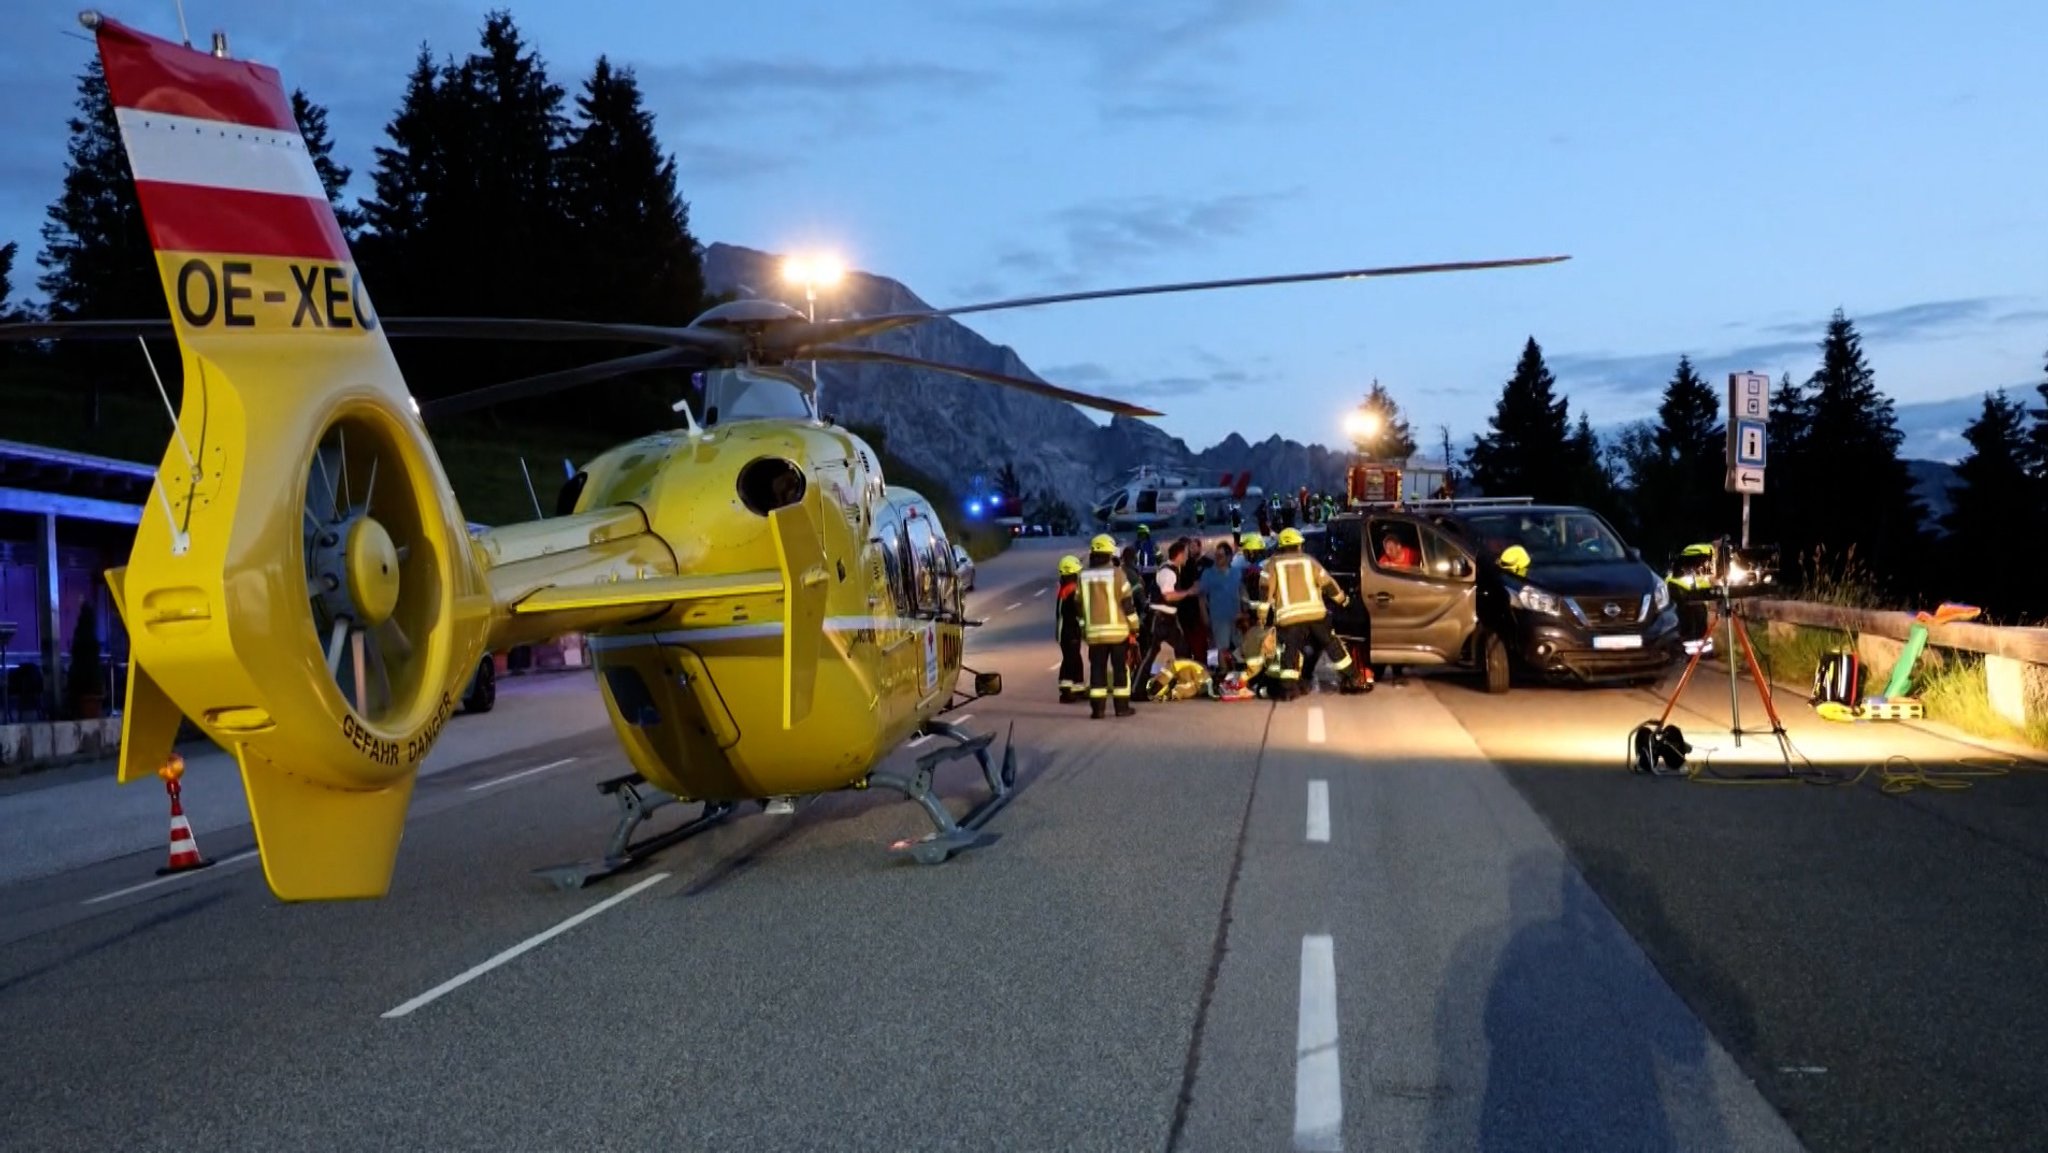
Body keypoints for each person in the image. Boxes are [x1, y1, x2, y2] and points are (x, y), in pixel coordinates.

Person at [1262, 527, 1367, 698]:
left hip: (1289, 618)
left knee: (1290, 651)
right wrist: (1344, 601)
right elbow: (1328, 584)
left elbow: (1265, 592)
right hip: (1316, 614)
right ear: (1299, 545)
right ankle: (1354, 678)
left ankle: (1288, 690)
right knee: (1332, 645)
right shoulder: (1309, 562)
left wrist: (1261, 617)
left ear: (1280, 547)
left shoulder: (1272, 565)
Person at [1080, 535, 1138, 718]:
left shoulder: (1082, 576)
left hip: (1094, 634)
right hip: (1118, 633)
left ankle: (1097, 710)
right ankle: (1121, 708)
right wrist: (1135, 626)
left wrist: (1084, 628)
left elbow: (1078, 606)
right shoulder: (1117, 574)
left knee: (1097, 671)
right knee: (1120, 670)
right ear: (1111, 553)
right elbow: (1127, 604)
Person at [1200, 539, 1240, 672]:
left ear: (1229, 557)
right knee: (1220, 648)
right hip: (1218, 617)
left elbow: (1241, 592)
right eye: (1216, 556)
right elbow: (1201, 597)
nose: (1217, 559)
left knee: (1238, 648)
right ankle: (1222, 674)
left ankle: (1235, 673)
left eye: (1221, 556)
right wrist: (1205, 616)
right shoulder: (1208, 574)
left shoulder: (1236, 573)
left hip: (1235, 617)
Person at [1055, 554, 1085, 702]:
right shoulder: (1071, 590)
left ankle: (1078, 687)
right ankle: (1066, 691)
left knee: (1075, 658)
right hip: (1069, 631)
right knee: (1070, 659)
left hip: (1067, 630)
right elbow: (1076, 613)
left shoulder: (1065, 588)